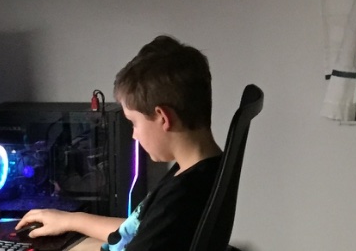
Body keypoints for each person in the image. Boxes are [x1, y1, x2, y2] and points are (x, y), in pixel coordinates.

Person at [17, 36, 225, 250]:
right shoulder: (202, 172)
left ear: (163, 118)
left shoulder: (180, 200)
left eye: (134, 123)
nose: (134, 135)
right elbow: (139, 231)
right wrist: (71, 220)